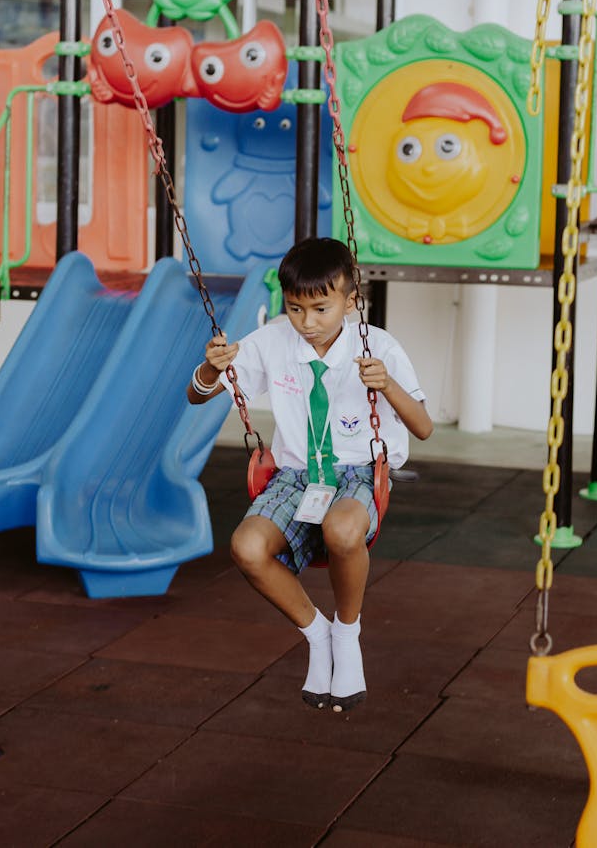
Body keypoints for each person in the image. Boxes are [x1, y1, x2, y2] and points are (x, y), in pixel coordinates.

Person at [186, 236, 433, 711]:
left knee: (343, 529)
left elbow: (423, 428)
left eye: (321, 309)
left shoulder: (378, 345)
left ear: (349, 300)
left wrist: (389, 386)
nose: (308, 323)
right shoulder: (275, 339)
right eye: (296, 309)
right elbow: (197, 395)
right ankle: (318, 636)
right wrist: (211, 369)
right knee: (247, 547)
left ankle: (347, 633)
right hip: (296, 476)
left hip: (357, 474)